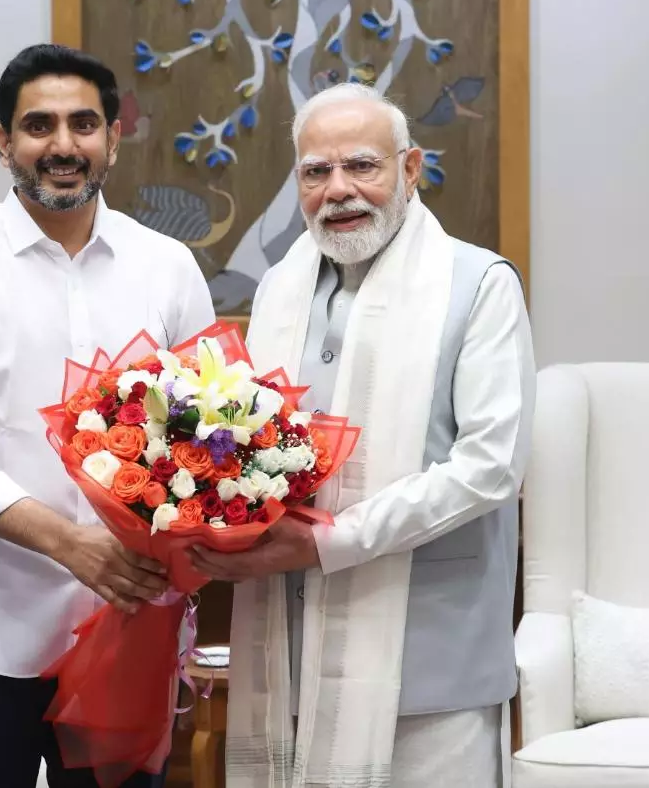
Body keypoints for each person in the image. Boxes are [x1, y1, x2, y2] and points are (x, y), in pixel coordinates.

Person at [189, 83, 536, 787]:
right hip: (290, 651)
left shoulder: (479, 284)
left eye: (362, 166)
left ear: (410, 169)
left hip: (433, 663)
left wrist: (329, 542)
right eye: (316, 172)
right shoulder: (281, 290)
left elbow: (491, 467)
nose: (339, 190)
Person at [0, 43, 215, 788]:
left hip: (126, 627)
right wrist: (73, 546)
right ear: (3, 141)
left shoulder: (167, 267)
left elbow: (208, 431)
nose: (63, 145)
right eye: (39, 125)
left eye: (83, 124)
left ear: (113, 138)